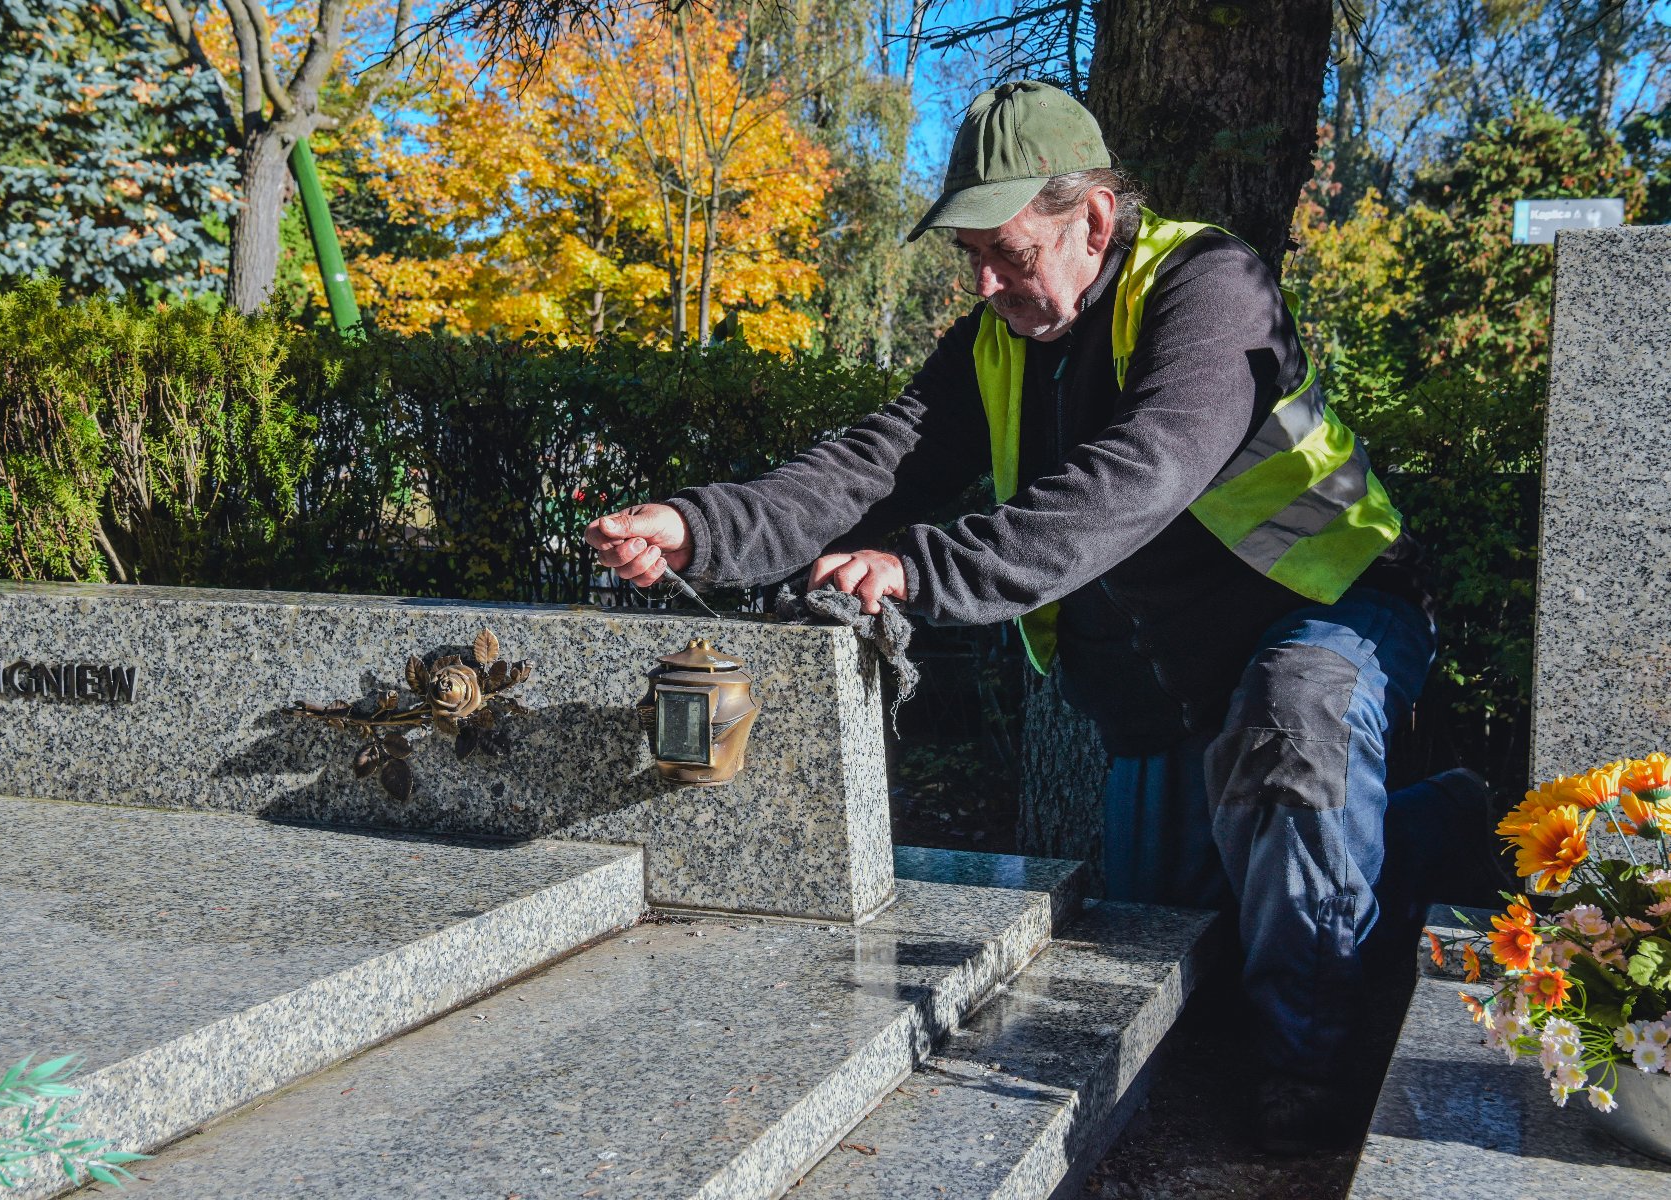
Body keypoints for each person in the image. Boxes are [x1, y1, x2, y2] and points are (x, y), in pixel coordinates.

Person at [585, 80, 1481, 1152]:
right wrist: (699, 528)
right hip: (1178, 681)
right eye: (967, 253)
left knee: (1293, 735)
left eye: (1005, 250)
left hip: (1335, 612)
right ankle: (1438, 826)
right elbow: (868, 470)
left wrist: (919, 571)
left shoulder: (1212, 286)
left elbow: (1137, 478)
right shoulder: (992, 341)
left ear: (1092, 218)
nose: (982, 279)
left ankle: (1307, 1095)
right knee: (1200, 922)